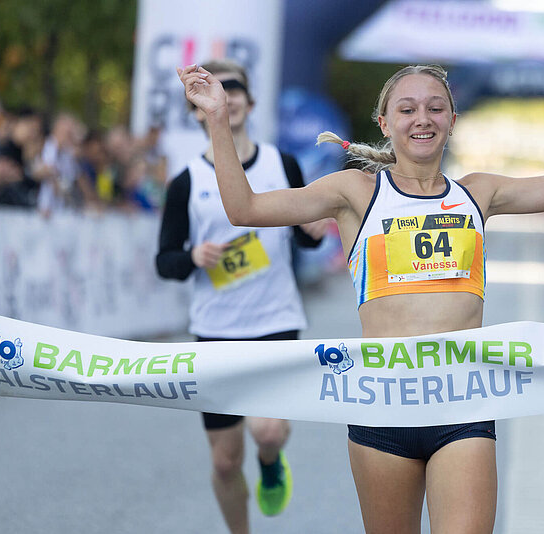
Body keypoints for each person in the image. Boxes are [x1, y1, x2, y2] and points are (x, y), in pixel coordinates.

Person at [178, 37, 544, 533]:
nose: (421, 119)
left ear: (452, 120)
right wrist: (217, 120)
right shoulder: (355, 193)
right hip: (381, 406)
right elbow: (246, 210)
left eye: (435, 108)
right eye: (406, 109)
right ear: (385, 124)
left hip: (462, 403)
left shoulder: (480, 193)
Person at [157, 58, 325, 534]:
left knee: (268, 430)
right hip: (216, 331)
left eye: (234, 88)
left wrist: (314, 231)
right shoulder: (185, 182)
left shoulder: (282, 164)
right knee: (226, 461)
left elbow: (305, 237)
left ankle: (271, 461)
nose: (224, 96)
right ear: (196, 111)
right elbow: (164, 260)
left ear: (250, 103)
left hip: (275, 320)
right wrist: (192, 257)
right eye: (214, 90)